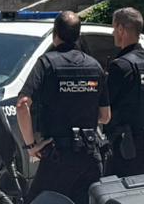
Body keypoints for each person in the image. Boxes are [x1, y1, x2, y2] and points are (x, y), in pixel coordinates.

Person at [16, 11, 106, 204]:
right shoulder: (95, 66)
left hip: (58, 155)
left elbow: (23, 105)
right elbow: (105, 116)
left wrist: (31, 146)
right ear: (78, 35)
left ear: (55, 34)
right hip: (90, 156)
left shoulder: (46, 63)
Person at [104, 7, 144, 177]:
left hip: (124, 148)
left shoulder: (121, 66)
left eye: (114, 28)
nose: (113, 33)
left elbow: (105, 104)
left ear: (121, 29)